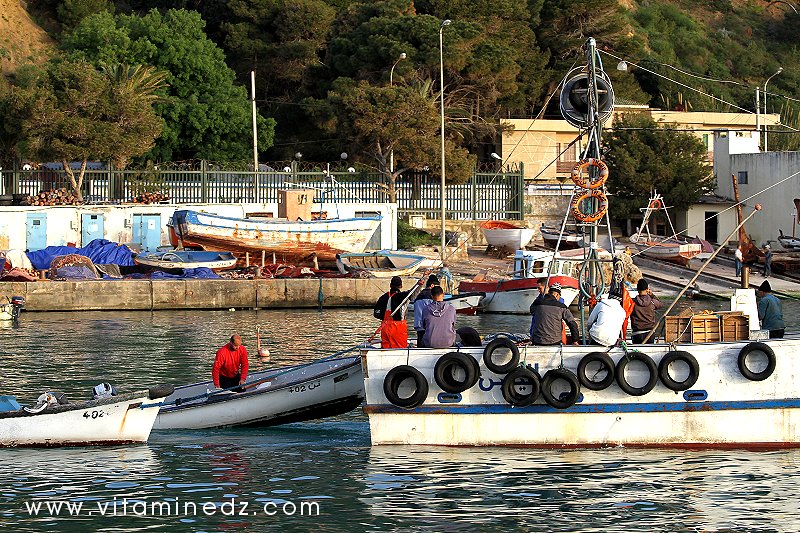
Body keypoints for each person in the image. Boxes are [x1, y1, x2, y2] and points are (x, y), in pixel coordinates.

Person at [373, 275, 423, 349]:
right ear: (401, 286)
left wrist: (383, 318)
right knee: (400, 349)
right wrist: (419, 284)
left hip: (385, 327)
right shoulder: (402, 296)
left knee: (386, 348)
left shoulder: (383, 297)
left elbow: (376, 314)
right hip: (398, 327)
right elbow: (412, 293)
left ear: (390, 285)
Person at [630, 278, 663, 344]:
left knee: (637, 353)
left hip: (637, 334)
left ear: (637, 289)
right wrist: (652, 295)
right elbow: (660, 304)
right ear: (647, 289)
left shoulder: (632, 302)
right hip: (650, 334)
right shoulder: (653, 302)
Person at [413, 275, 440, 347]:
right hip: (429, 328)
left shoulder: (418, 296)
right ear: (432, 285)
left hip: (419, 328)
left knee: (420, 348)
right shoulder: (432, 297)